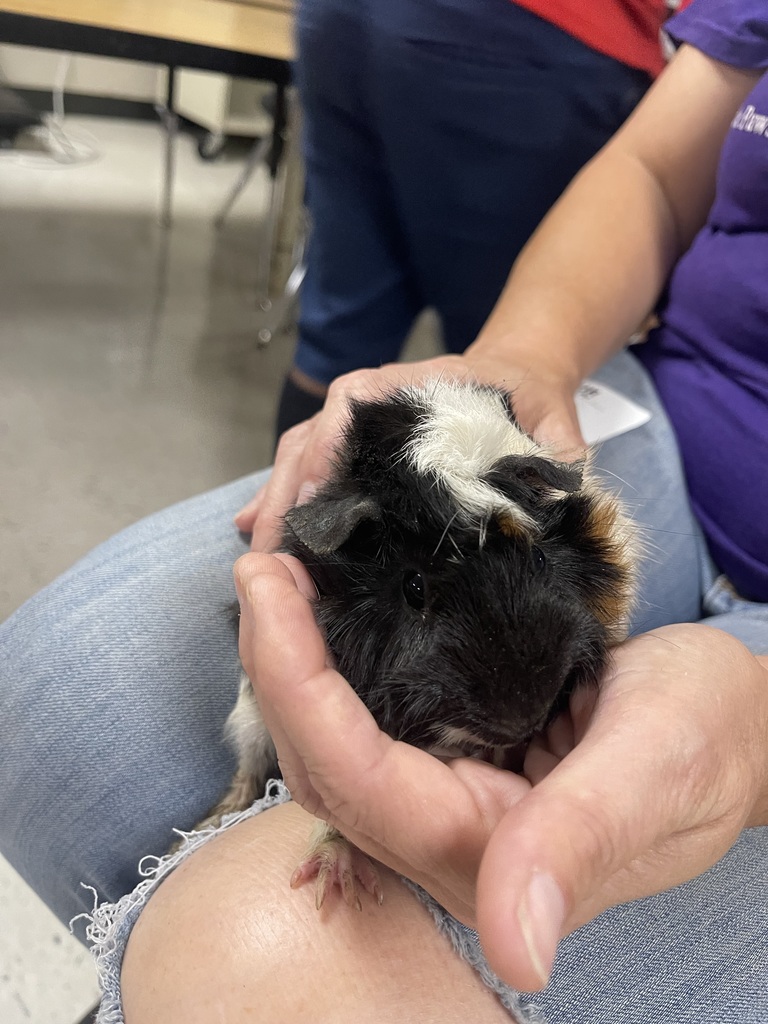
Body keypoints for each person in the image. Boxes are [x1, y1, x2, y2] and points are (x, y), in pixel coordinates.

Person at [1, 2, 767, 1023]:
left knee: (276, 958)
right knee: (55, 696)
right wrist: (524, 361)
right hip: (665, 418)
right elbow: (653, 170)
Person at [276, 0, 671, 435]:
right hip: (525, 33)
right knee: (504, 368)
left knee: (339, 336)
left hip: (342, 19)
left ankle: (292, 501)